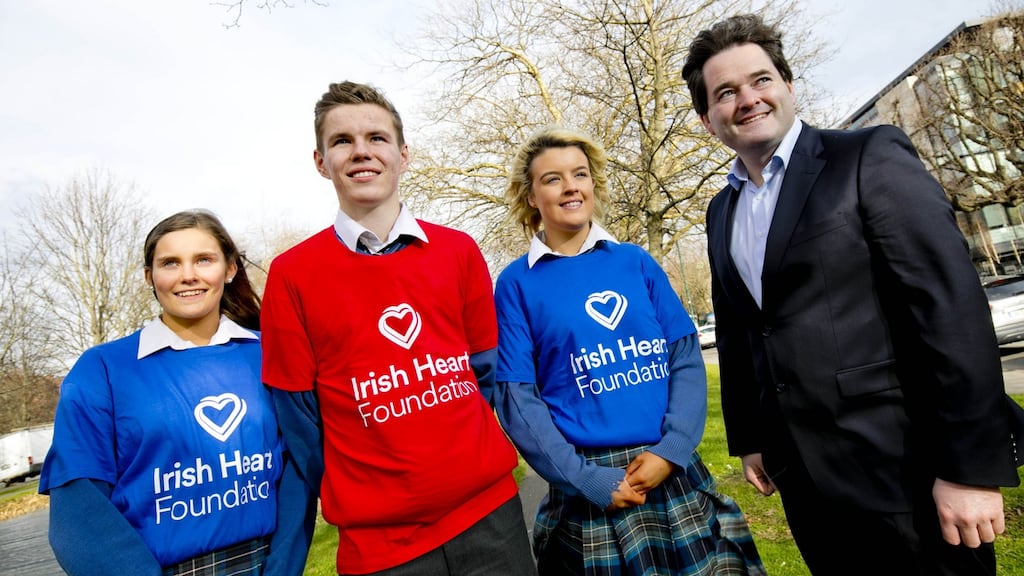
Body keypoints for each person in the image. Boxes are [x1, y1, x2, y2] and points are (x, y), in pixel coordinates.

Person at [681, 13, 1022, 575]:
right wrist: (750, 437)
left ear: (788, 86)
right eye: (726, 92)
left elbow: (950, 311)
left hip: (907, 474)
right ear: (707, 118)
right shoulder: (723, 210)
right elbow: (745, 332)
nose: (747, 99)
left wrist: (971, 470)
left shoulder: (867, 158)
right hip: (806, 483)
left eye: (761, 80)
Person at [260, 80, 535, 576]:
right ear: (321, 162)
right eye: (342, 141)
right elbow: (300, 417)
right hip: (382, 546)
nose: (361, 151)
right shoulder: (292, 274)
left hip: (490, 516)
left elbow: (485, 373)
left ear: (403, 154)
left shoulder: (458, 250)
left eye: (377, 138)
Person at [493, 125, 766, 575]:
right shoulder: (516, 284)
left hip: (671, 468)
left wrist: (672, 447)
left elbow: (684, 357)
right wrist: (586, 478)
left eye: (579, 174)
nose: (570, 187)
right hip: (593, 486)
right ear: (530, 196)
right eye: (552, 178)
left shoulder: (634, 261)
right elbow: (519, 401)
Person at [39, 210, 290, 576]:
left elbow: (298, 471)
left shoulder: (272, 355)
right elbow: (79, 511)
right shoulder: (103, 370)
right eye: (170, 263)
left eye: (203, 259)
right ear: (149, 276)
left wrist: (284, 565)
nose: (188, 275)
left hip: (269, 564)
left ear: (231, 268)